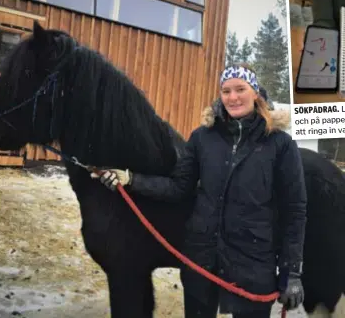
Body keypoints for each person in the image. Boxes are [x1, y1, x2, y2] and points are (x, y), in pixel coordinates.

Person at [91, 64, 307, 318]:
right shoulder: (203, 138)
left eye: (240, 89)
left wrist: (292, 273)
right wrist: (130, 180)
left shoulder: (279, 144)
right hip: (201, 258)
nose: (233, 97)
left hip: (253, 262)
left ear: (256, 93)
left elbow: (294, 211)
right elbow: (178, 188)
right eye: (226, 91)